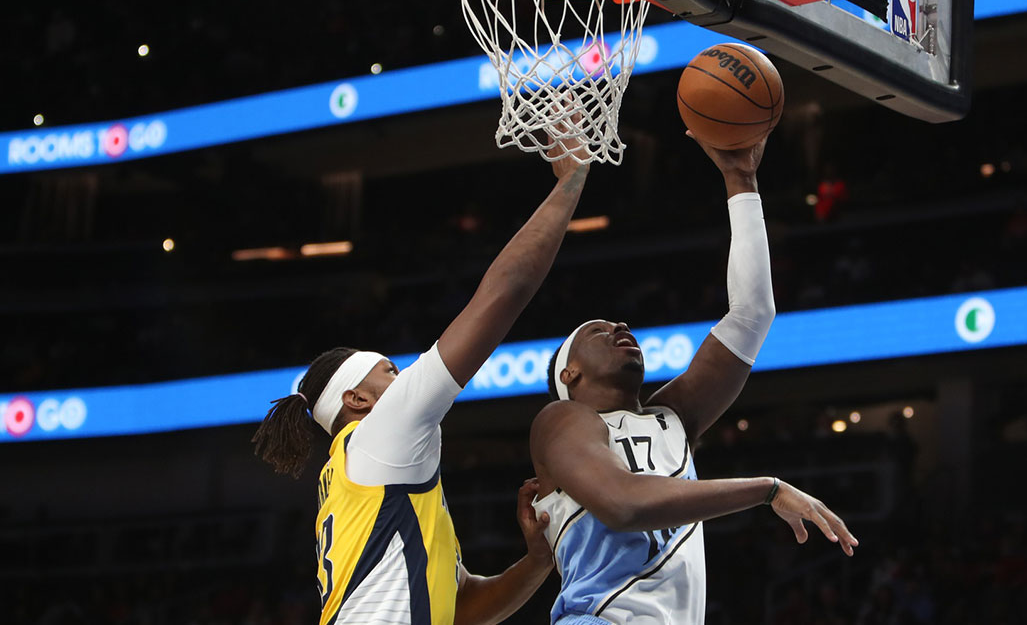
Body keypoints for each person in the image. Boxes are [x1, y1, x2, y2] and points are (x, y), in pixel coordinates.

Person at [252, 137, 589, 625]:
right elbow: (503, 295)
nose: (405, 376)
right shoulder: (378, 435)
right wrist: (569, 183)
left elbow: (466, 609)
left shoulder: (381, 483)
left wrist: (539, 560)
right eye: (390, 370)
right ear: (358, 398)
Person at [530, 133, 858, 625]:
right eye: (598, 331)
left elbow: (752, 315)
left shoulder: (670, 418)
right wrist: (765, 488)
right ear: (569, 373)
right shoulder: (560, 421)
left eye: (618, 324)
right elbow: (622, 504)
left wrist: (740, 180)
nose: (620, 326)